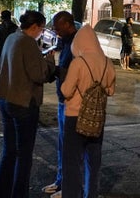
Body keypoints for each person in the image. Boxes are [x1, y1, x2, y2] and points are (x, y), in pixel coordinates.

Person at [0, 10, 56, 198]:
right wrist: (50, 60)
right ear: (35, 26)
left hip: (6, 98)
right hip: (23, 102)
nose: (42, 32)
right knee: (25, 155)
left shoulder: (13, 37)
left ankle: (1, 193)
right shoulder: (28, 43)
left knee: (9, 152)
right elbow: (39, 74)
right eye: (42, 28)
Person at [60, 24, 116, 198]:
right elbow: (110, 91)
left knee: (72, 163)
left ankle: (71, 194)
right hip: (97, 119)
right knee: (93, 161)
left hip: (75, 119)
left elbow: (66, 91)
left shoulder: (78, 62)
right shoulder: (108, 62)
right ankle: (91, 194)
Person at [42, 11, 79, 198]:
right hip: (62, 100)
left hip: (72, 102)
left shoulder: (77, 43)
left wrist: (55, 69)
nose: (55, 30)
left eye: (57, 26)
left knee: (70, 147)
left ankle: (70, 186)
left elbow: (74, 74)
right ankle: (61, 180)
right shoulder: (64, 41)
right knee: (62, 144)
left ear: (67, 24)